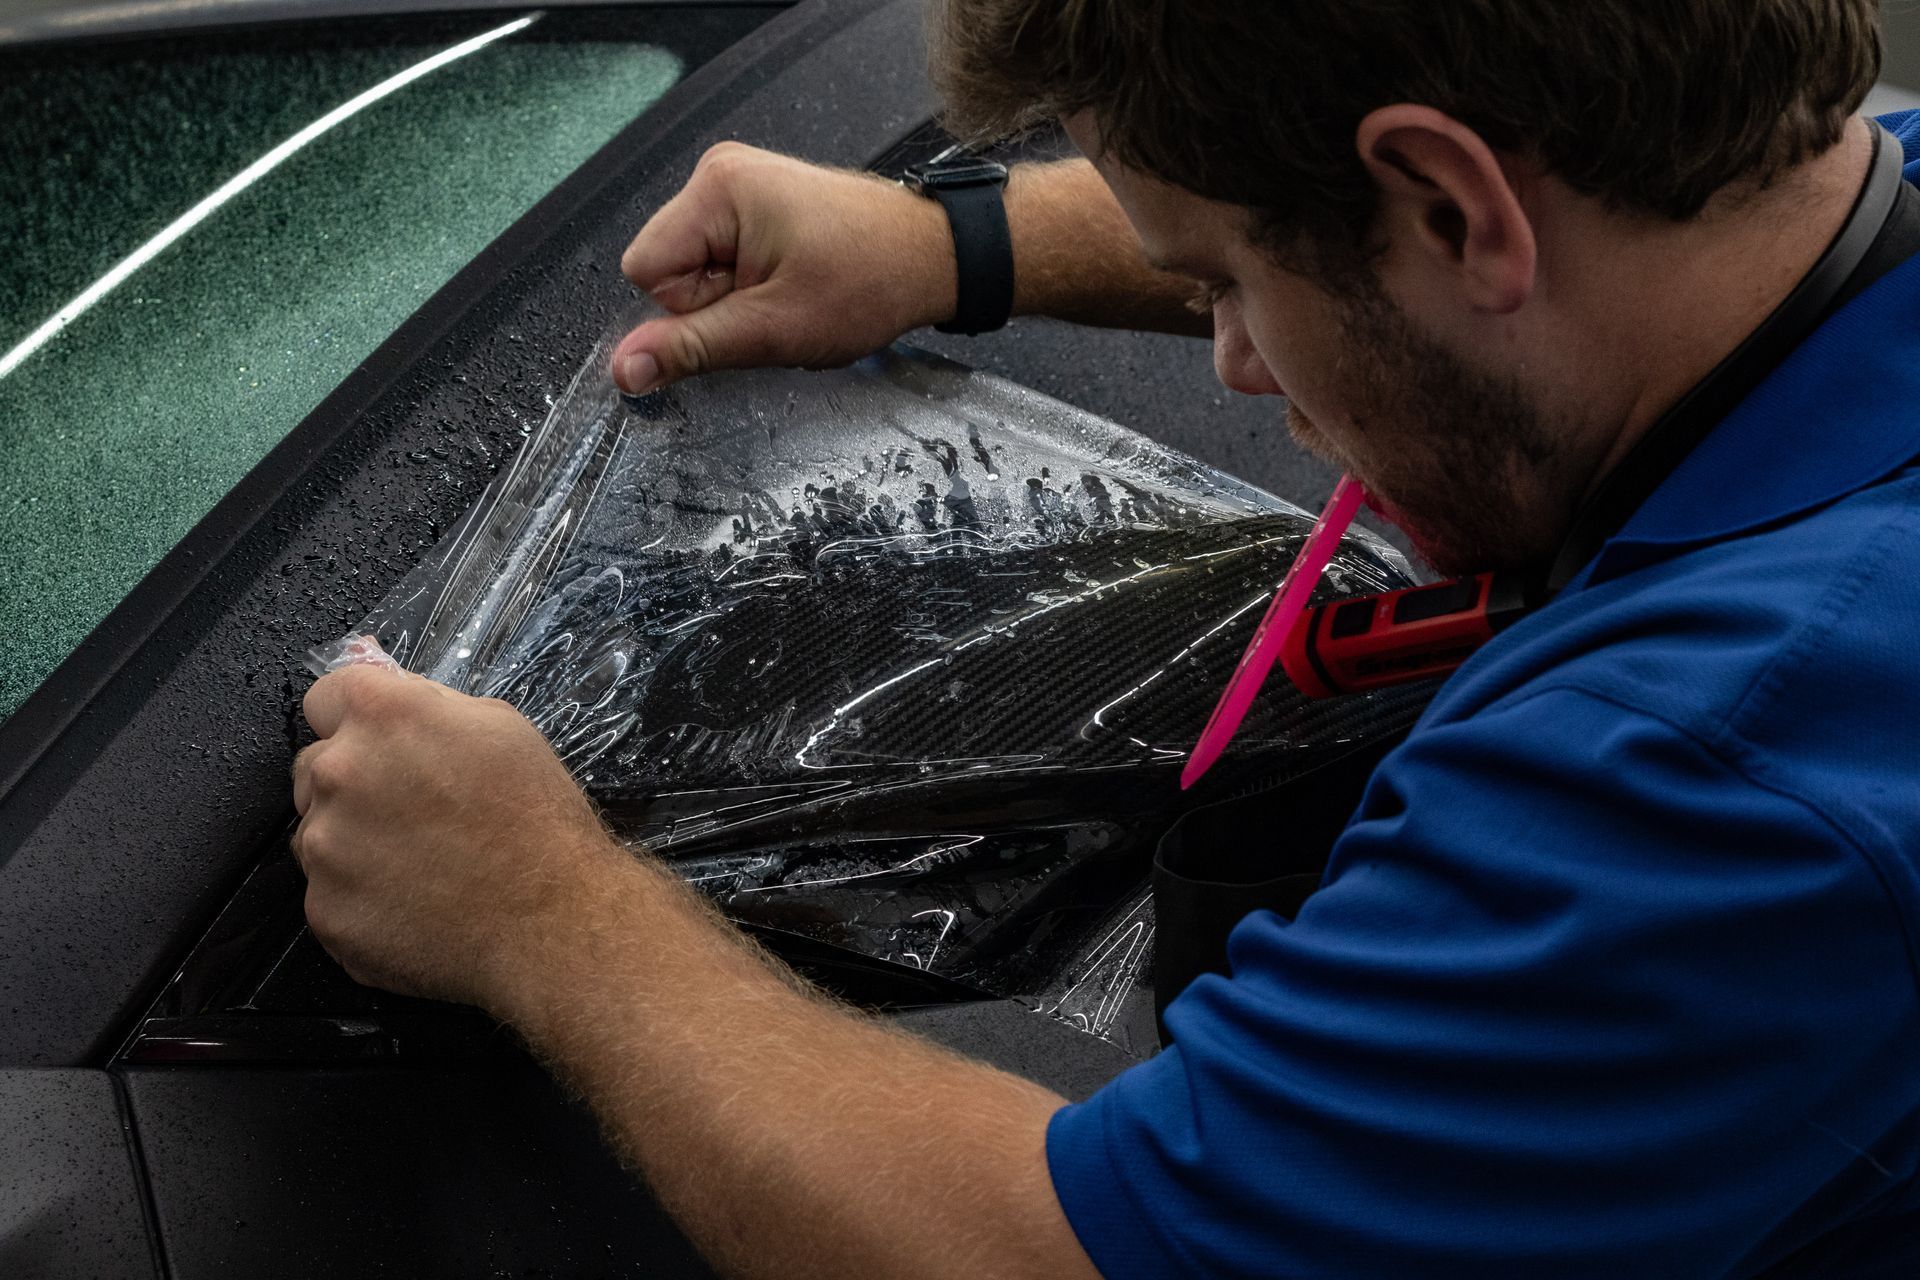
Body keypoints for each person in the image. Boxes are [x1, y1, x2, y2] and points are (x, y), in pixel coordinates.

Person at [290, 1, 1920, 1275]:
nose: (1228, 363)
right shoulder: (1833, 197)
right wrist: (958, 244)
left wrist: (538, 910)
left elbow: (1067, 1256)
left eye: (1219, 282)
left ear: (1447, 202)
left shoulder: (1715, 773)